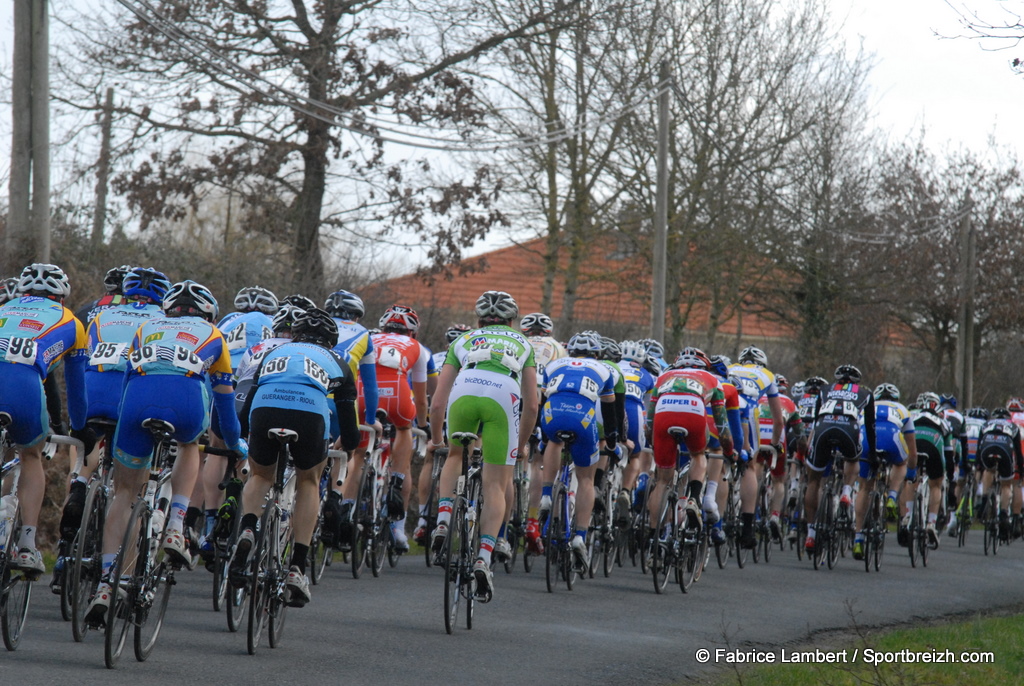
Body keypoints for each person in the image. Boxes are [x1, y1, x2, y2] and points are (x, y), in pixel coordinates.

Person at [85, 280, 246, 625]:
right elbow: (225, 403)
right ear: (208, 314)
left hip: (136, 402)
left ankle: (109, 581)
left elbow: (127, 378)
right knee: (190, 443)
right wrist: (235, 444)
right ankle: (176, 523)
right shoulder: (214, 335)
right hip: (185, 403)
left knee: (125, 493)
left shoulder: (145, 327)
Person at [230, 308, 361, 606]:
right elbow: (351, 433)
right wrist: (346, 447)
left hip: (264, 409)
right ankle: (297, 568)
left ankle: (249, 528)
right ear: (330, 341)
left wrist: (245, 436)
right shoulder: (338, 361)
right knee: (309, 482)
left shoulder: (274, 353)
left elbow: (246, 416)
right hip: (309, 416)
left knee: (262, 475)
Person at [428, 291, 538, 601]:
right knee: (495, 484)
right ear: (512, 321)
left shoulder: (462, 341)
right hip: (504, 396)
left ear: (479, 320)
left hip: (465, 390)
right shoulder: (523, 344)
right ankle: (484, 558)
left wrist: (437, 440)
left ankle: (443, 520)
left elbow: (437, 402)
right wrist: (520, 443)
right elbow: (532, 406)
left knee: (454, 454)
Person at [57, 267, 171, 558]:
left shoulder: (99, 314)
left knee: (90, 443)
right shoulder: (164, 321)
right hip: (130, 394)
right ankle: (119, 561)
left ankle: (80, 487)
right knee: (129, 485)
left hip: (91, 389)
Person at [0, 263, 92, 574]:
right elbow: (76, 391)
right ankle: (27, 544)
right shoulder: (72, 322)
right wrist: (79, 429)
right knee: (30, 455)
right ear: (61, 298)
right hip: (24, 387)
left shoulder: (4, 307)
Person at [536, 332, 619, 572]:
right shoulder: (604, 369)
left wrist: (542, 436)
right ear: (596, 354)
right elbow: (610, 413)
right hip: (582, 417)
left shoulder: (553, 364)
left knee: (553, 441)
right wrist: (612, 442)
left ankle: (546, 495)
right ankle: (580, 536)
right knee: (586, 478)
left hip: (552, 413)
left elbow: (543, 400)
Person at [648, 347, 732, 546]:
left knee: (662, 481)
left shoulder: (663, 377)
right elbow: (722, 427)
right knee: (698, 456)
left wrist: (654, 445)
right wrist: (728, 452)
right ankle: (693, 499)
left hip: (663, 415)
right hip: (694, 413)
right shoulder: (713, 380)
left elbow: (649, 423)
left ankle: (653, 538)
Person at [803, 364, 875, 554]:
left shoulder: (824, 390)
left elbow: (815, 421)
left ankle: (810, 534)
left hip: (822, 429)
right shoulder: (866, 393)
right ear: (856, 382)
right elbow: (870, 427)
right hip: (848, 429)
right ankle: (846, 491)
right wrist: (873, 454)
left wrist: (809, 449)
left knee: (814, 481)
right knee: (853, 459)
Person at [728, 346, 785, 549]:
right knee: (750, 467)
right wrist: (776, 445)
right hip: (746, 412)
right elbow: (778, 420)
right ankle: (747, 528)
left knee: (718, 457)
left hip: (723, 408)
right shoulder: (768, 376)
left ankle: (713, 516)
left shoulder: (731, 367)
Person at [519, 313, 567, 555]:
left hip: (515, 395)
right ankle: (532, 521)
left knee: (509, 457)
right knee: (538, 460)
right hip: (543, 399)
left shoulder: (515, 340)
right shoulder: (558, 347)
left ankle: (501, 525)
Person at [852, 383, 915, 560]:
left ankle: (858, 538)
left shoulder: (865, 405)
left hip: (867, 439)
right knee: (901, 463)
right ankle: (892, 497)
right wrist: (911, 473)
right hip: (891, 436)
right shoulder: (903, 409)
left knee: (864, 487)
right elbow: (913, 450)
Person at [906, 392, 953, 549]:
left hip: (915, 443)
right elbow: (948, 453)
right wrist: (950, 475)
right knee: (935, 484)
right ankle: (931, 522)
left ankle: (907, 516)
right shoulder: (944, 422)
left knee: (910, 479)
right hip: (934, 446)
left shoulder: (913, 416)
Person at [976, 407, 1023, 539]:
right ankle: (1003, 513)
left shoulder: (986, 424)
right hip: (1005, 448)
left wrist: (978, 465)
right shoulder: (1013, 426)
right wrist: (1020, 469)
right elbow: (1018, 454)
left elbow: (979, 449)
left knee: (988, 470)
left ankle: (984, 498)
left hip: (987, 446)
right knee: (1006, 485)